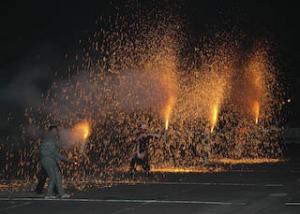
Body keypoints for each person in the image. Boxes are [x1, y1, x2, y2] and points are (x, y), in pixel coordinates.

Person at [40, 125, 70, 199]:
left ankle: (62, 193)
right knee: (53, 177)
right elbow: (54, 152)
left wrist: (59, 159)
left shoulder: (51, 139)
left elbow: (54, 152)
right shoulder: (49, 139)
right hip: (48, 160)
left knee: (58, 176)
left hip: (51, 160)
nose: (55, 132)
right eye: (54, 131)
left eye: (56, 131)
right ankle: (48, 194)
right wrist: (65, 159)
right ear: (50, 131)